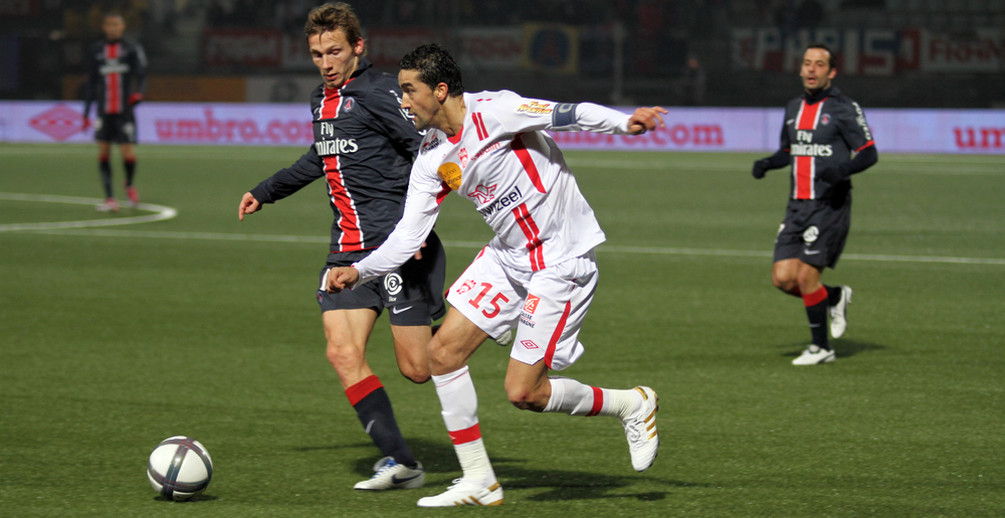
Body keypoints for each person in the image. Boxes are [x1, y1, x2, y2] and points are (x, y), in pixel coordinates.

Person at [327, 43, 667, 507]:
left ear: (440, 90)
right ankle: (479, 480)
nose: (402, 100)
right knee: (442, 355)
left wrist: (624, 123)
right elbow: (410, 235)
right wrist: (360, 271)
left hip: (559, 260)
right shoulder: (430, 157)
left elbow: (567, 113)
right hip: (507, 258)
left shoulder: (497, 111)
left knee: (523, 393)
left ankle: (631, 403)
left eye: (410, 90)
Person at [238, 3, 446, 490]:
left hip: (395, 248)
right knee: (341, 352)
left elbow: (428, 149)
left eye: (334, 51)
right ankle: (402, 463)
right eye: (316, 54)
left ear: (358, 47)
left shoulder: (379, 92)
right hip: (346, 252)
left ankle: (481, 316)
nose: (325, 62)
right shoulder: (321, 99)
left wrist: (413, 233)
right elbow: (320, 157)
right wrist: (265, 191)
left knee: (419, 368)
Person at [750, 43, 878, 365]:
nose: (811, 69)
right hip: (796, 206)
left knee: (806, 276)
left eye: (819, 65)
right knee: (782, 279)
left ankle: (821, 348)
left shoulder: (844, 108)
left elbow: (869, 152)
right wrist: (768, 163)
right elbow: (788, 150)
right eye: (807, 63)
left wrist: (843, 170)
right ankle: (834, 296)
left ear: (831, 72)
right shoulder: (793, 107)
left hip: (829, 205)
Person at [82, 12, 148, 212]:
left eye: (116, 25)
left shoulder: (131, 48)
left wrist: (139, 93)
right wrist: (86, 111)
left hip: (124, 111)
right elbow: (91, 82)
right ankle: (110, 198)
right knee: (103, 153)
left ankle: (128, 183)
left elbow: (142, 74)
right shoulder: (96, 50)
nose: (112, 28)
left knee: (128, 153)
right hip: (104, 110)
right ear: (104, 28)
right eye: (109, 25)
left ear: (122, 27)